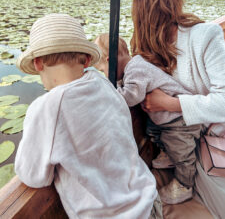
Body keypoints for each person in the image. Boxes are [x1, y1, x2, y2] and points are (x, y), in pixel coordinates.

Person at [14, 13, 162, 219]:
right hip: (149, 202)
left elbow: (33, 176)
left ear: (38, 63)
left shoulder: (46, 107)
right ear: (86, 60)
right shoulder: (103, 84)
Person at [131, 0, 225, 218]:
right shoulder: (149, 52)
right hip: (185, 134)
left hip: (215, 133)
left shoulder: (205, 36)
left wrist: (170, 104)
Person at [95, 33, 201, 204]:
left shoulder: (136, 69)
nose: (106, 75)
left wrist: (109, 92)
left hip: (181, 120)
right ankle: (168, 153)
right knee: (152, 130)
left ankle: (185, 184)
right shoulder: (133, 65)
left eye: (102, 70)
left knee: (182, 152)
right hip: (166, 119)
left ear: (110, 61)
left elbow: (130, 97)